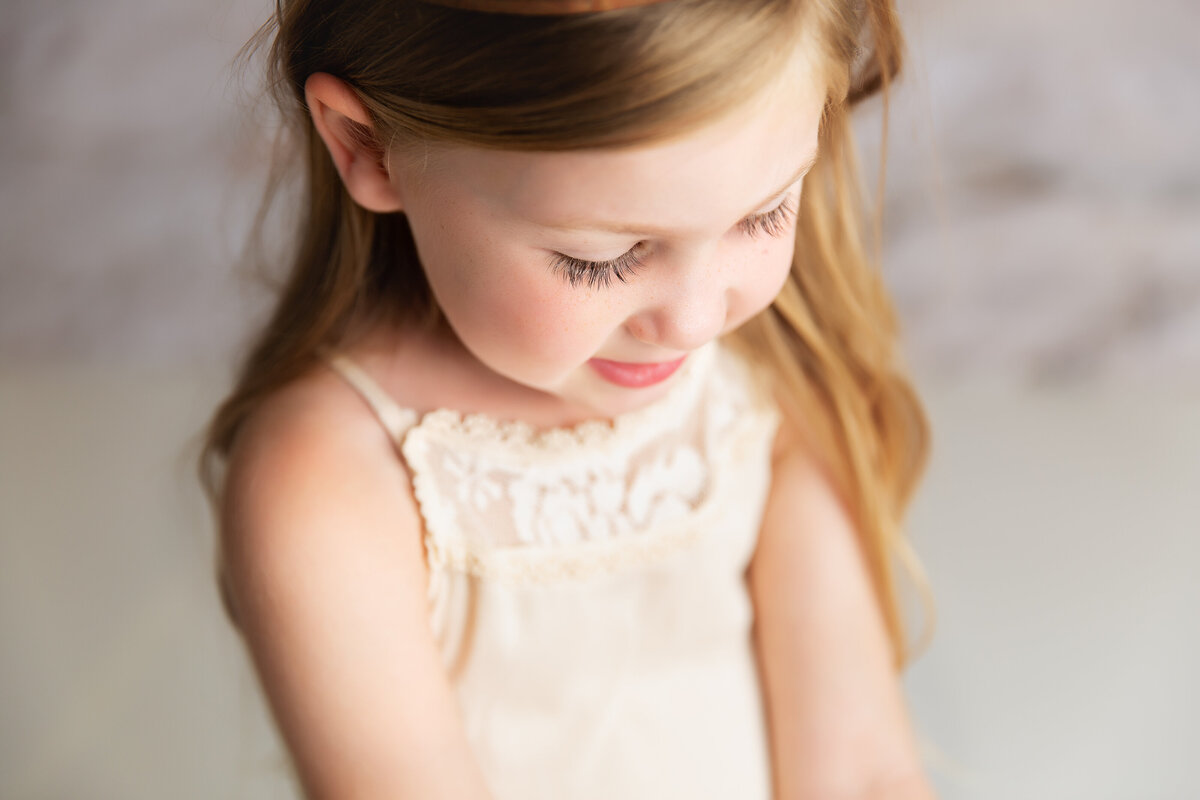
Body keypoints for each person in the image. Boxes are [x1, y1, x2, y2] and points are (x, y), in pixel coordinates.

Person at [200, 0, 934, 797]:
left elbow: (862, 774)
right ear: (368, 146)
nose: (693, 323)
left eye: (763, 215)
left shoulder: (763, 379)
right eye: (599, 260)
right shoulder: (332, 483)